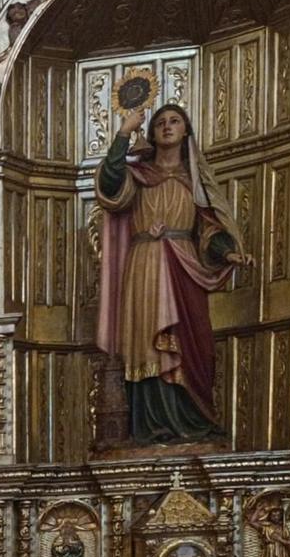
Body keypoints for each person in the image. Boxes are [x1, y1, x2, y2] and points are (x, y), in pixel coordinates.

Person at [95, 103, 254, 444]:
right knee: (144, 344)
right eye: (160, 123)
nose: (167, 127)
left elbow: (209, 229)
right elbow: (110, 184)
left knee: (196, 343)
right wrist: (124, 133)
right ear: (151, 133)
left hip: (184, 264)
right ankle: (149, 427)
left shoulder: (194, 178)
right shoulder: (138, 175)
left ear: (186, 130)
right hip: (144, 263)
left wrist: (228, 252)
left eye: (175, 121)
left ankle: (193, 420)